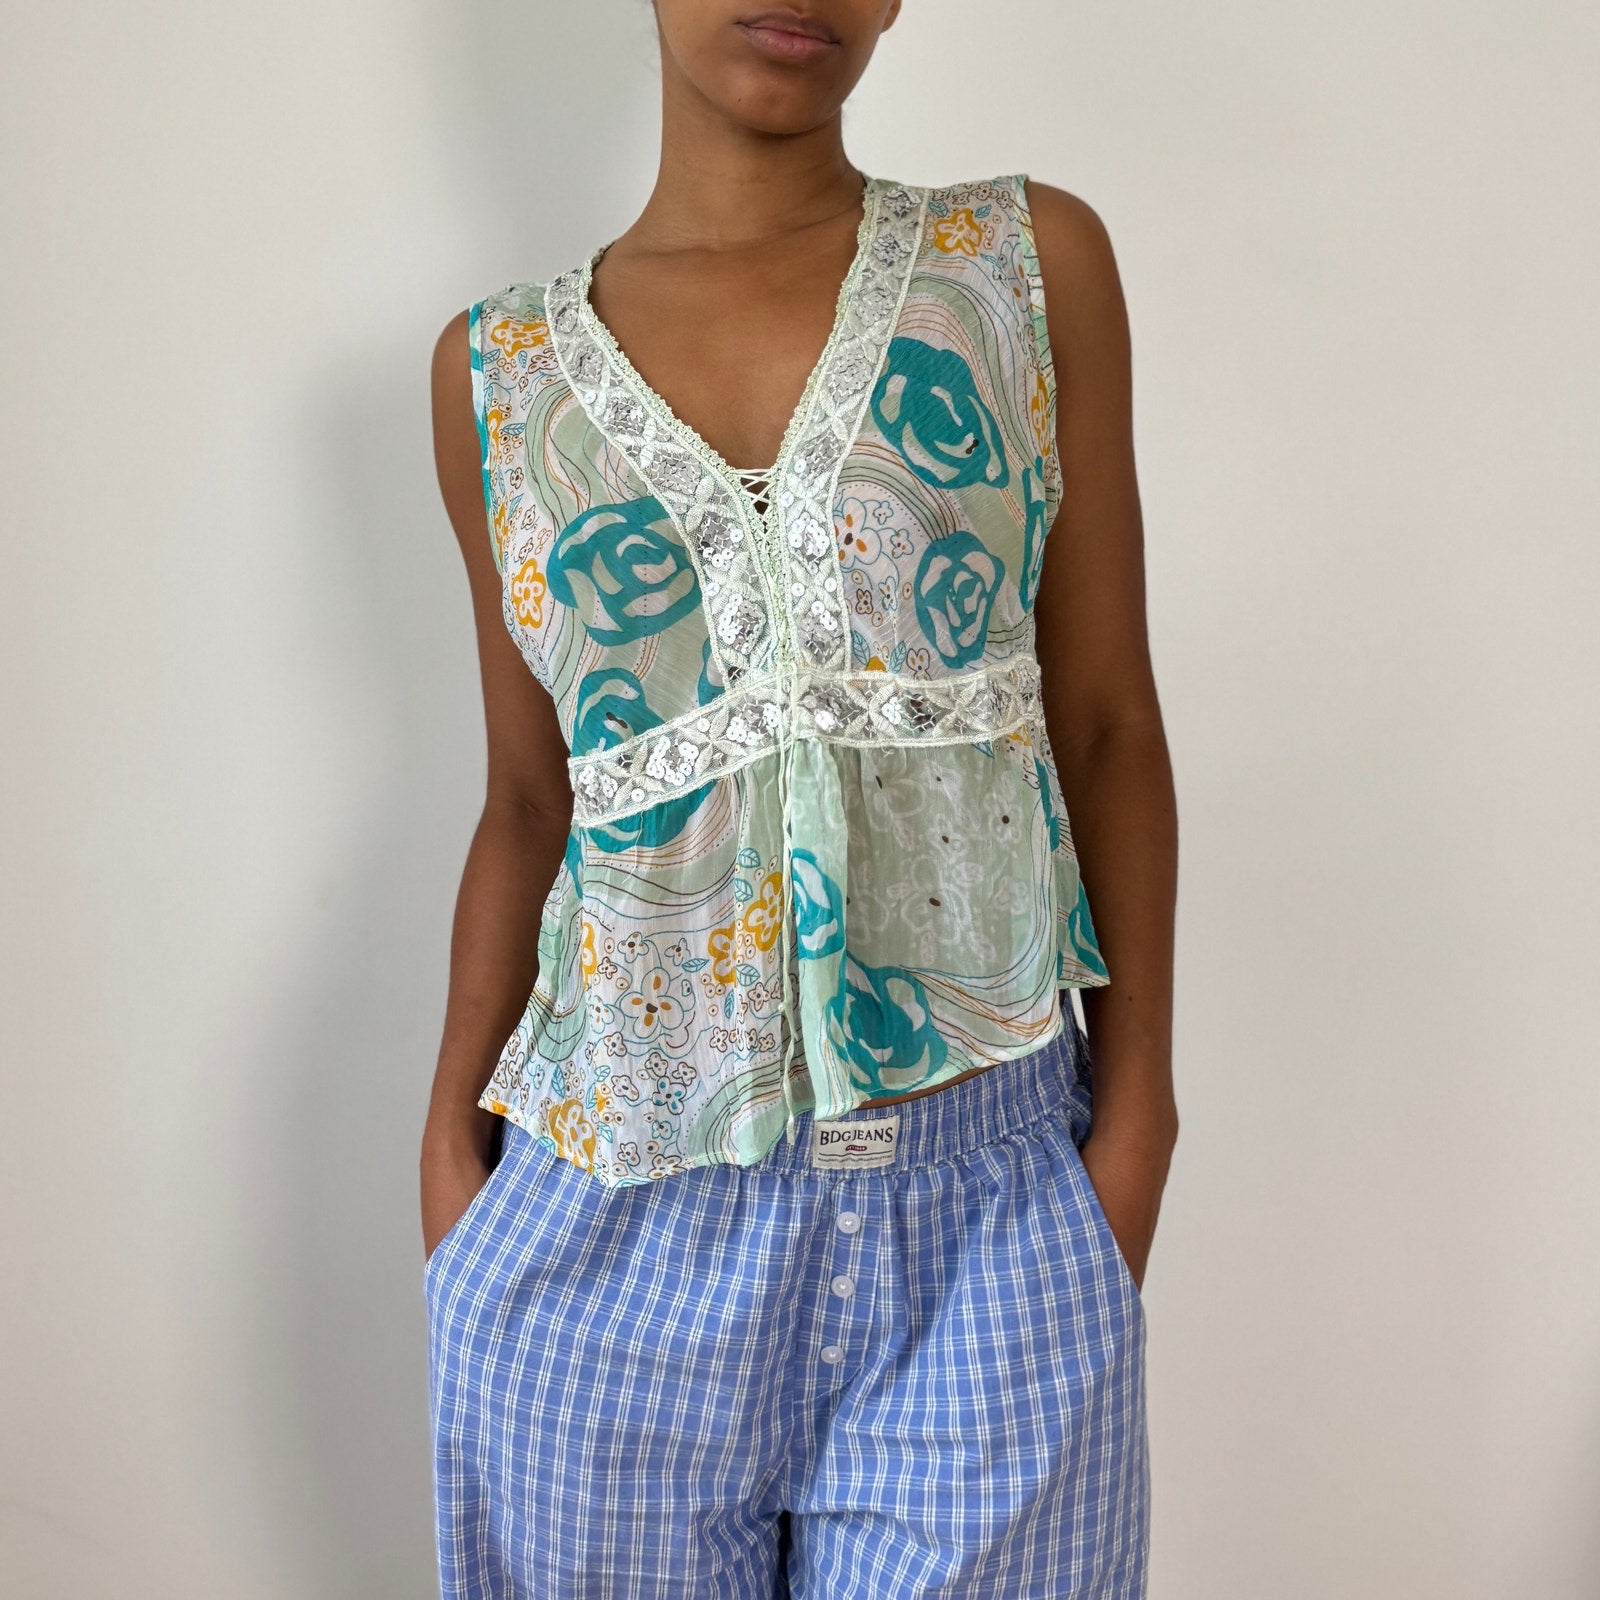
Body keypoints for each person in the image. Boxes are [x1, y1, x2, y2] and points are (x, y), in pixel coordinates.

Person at [421, 2, 1178, 1594]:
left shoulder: (1021, 268)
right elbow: (529, 802)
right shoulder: (497, 371)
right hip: (603, 1224)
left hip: (985, 1229)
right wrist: (449, 1165)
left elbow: (1108, 723)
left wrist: (1135, 1130)